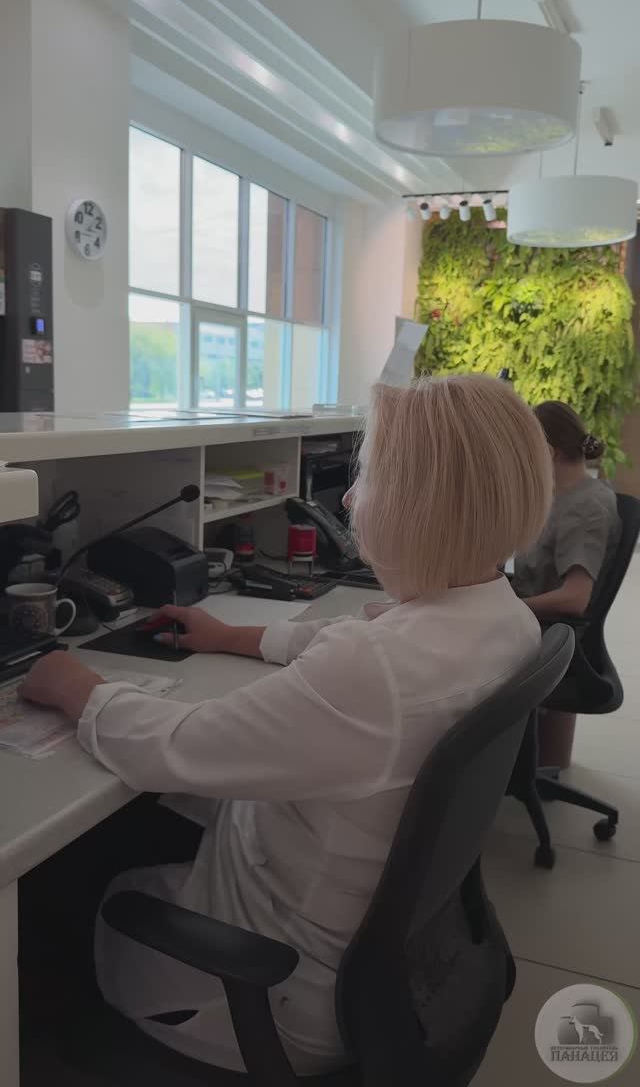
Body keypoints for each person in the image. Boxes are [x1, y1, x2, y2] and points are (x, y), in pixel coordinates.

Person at [21, 375, 552, 1075]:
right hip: (371, 955)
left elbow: (173, 748)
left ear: (420, 506)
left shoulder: (375, 672)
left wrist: (73, 685)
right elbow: (357, 638)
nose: (351, 499)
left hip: (272, 990)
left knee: (54, 866)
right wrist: (231, 637)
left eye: (367, 476)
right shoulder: (504, 616)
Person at [512, 401, 621, 620]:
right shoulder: (560, 497)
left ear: (549, 452)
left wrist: (508, 610)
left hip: (541, 629)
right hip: (524, 618)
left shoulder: (587, 507)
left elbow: (575, 598)